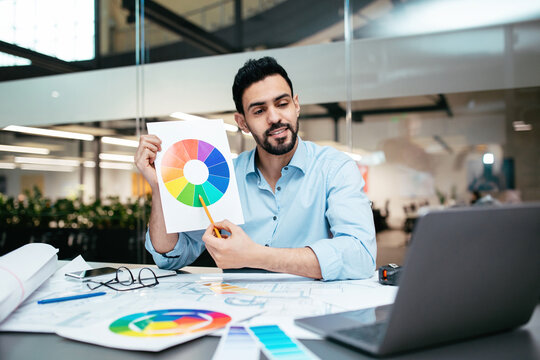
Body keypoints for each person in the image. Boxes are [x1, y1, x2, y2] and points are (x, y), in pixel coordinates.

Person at [135, 56, 376, 280]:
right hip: (239, 313)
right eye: (259, 111)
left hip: (311, 314)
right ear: (242, 122)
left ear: (296, 105)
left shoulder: (335, 168)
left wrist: (255, 256)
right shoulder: (223, 177)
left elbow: (361, 256)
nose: (274, 117)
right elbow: (170, 256)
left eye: (282, 104)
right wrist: (160, 188)